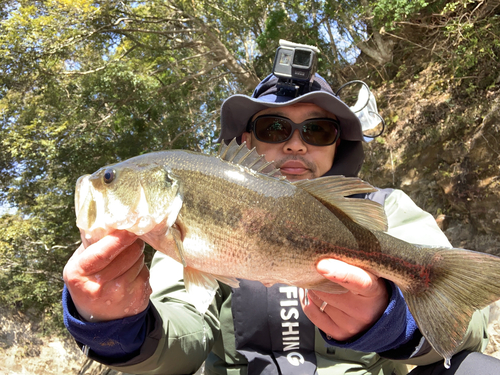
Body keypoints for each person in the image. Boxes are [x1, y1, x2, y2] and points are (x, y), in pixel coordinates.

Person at [62, 72, 499, 374]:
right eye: (274, 128)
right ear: (248, 140)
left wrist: (390, 319)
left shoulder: (386, 209)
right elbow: (184, 332)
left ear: (337, 143)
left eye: (317, 131)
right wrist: (115, 323)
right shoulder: (172, 230)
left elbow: (468, 331)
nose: (294, 144)